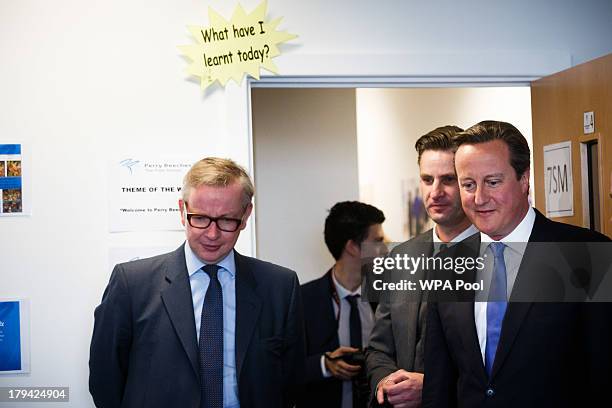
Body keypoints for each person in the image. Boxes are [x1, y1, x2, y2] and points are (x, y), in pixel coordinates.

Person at [89, 157, 305, 408]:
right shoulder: (132, 284)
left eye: (227, 220)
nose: (212, 234)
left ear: (246, 215)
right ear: (182, 210)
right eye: (200, 218)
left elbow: (292, 382)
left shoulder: (280, 287)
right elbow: (105, 380)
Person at [423, 120, 611, 407]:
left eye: (493, 182)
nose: (480, 198)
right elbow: (439, 380)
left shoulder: (586, 254)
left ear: (524, 179)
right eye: (468, 184)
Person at [366, 125, 477, 408]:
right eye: (427, 179)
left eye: (448, 179)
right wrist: (386, 382)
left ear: (468, 182)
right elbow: (379, 348)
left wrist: (433, 389)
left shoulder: (496, 257)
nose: (435, 191)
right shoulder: (400, 257)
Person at [297, 201, 386, 408]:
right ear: (352, 247)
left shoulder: (391, 297)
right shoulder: (303, 300)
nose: (385, 250)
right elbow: (284, 366)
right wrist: (324, 364)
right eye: (378, 241)